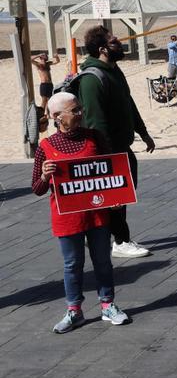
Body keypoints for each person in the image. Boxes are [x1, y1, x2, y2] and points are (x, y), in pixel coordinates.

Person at [32, 92, 130, 333]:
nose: (80, 113)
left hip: (97, 214)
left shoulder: (94, 138)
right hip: (66, 218)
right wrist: (45, 175)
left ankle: (108, 304)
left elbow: (113, 171)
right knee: (72, 264)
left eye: (79, 109)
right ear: (56, 117)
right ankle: (74, 311)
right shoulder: (45, 147)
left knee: (103, 261)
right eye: (74, 111)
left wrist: (117, 198)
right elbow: (37, 188)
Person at [75, 26, 154, 259]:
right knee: (116, 195)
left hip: (122, 145)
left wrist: (143, 132)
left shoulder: (114, 70)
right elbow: (96, 122)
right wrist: (108, 157)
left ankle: (101, 234)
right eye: (113, 41)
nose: (119, 42)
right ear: (102, 50)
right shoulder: (91, 79)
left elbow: (128, 103)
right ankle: (120, 241)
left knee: (124, 193)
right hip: (107, 150)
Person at [32, 52, 59, 132]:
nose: (45, 57)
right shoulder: (38, 64)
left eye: (46, 56)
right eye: (44, 56)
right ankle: (41, 114)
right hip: (43, 84)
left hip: (50, 84)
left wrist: (56, 56)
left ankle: (47, 114)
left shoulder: (48, 64)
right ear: (41, 58)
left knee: (49, 99)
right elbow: (30, 59)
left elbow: (57, 61)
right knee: (44, 100)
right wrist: (37, 55)